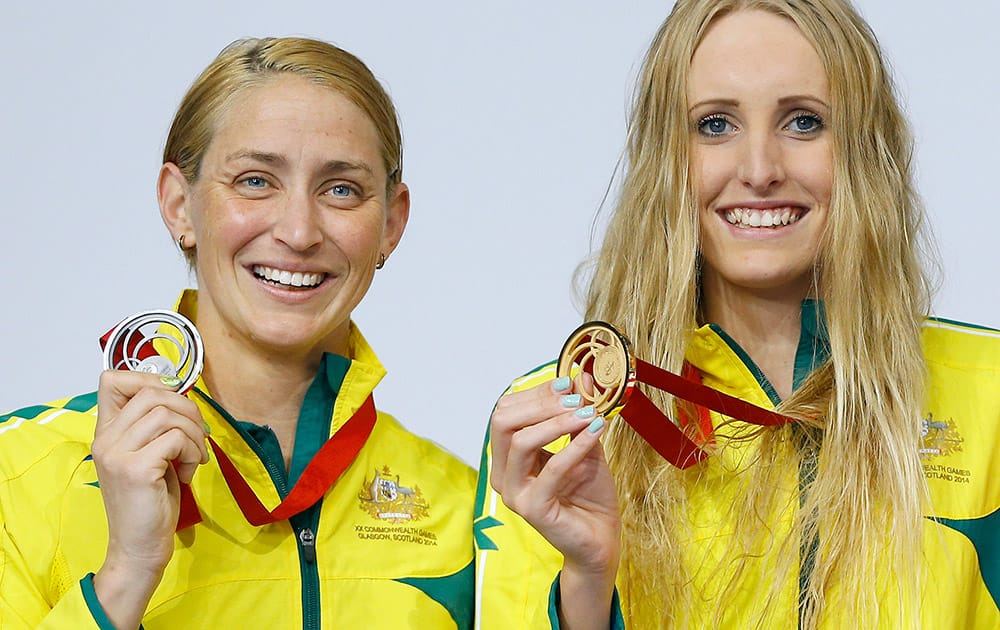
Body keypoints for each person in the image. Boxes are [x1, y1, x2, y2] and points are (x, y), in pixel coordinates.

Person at [474, 1, 1000, 628]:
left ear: (864, 151)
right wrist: (588, 582)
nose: (759, 171)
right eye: (715, 124)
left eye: (804, 122)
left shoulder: (991, 393)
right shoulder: (561, 415)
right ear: (665, 160)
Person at [0, 37, 475, 629]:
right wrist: (125, 573)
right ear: (179, 205)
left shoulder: (466, 511)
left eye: (341, 189)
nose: (300, 231)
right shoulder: (15, 476)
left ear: (391, 223)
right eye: (255, 180)